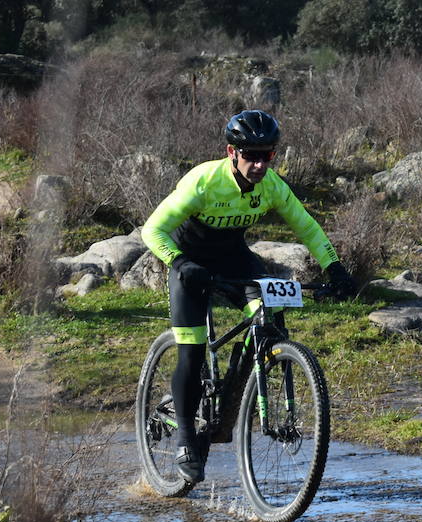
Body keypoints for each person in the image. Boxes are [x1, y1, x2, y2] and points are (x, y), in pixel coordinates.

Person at [142, 109, 356, 484]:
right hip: (190, 264)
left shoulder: (272, 186)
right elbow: (153, 230)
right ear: (231, 152)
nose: (259, 164)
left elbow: (306, 226)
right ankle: (187, 438)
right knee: (191, 351)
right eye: (251, 155)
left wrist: (333, 267)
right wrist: (179, 262)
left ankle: (241, 394)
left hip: (234, 260)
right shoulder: (204, 182)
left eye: (267, 155)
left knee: (268, 315)